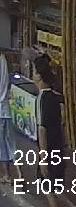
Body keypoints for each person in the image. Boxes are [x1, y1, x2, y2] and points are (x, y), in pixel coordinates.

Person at [33, 66, 66, 207]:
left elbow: (42, 129)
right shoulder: (57, 97)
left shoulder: (41, 98)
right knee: (56, 187)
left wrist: (43, 158)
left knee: (47, 186)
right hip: (58, 147)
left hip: (49, 149)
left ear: (39, 76)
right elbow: (62, 122)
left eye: (34, 72)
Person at [0, 54, 13, 184]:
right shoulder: (4, 58)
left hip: (1, 109)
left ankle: (6, 174)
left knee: (2, 145)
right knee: (9, 143)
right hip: (5, 108)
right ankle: (16, 173)